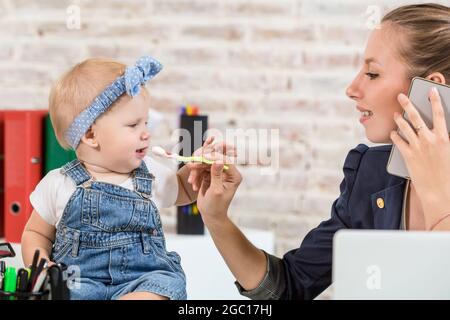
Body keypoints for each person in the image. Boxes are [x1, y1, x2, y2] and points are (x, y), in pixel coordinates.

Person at [188, 3, 450, 300]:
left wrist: (438, 198)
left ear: (431, 90)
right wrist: (217, 218)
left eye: (372, 74)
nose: (352, 89)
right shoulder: (371, 176)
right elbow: (289, 287)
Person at [21, 55, 222, 300]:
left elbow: (182, 189)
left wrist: (197, 171)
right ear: (91, 135)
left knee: (160, 288)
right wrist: (42, 267)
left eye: (146, 122)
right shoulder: (59, 183)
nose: (146, 133)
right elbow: (36, 234)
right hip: (79, 282)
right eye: (133, 125)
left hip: (143, 279)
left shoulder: (151, 173)